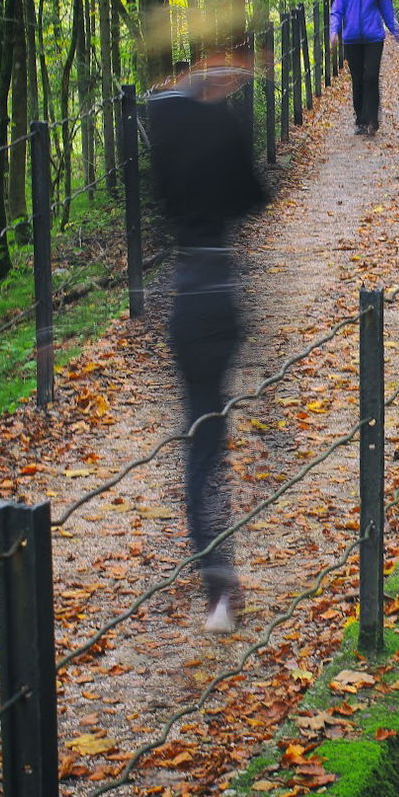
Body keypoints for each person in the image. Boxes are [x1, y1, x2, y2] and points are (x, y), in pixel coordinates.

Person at [146, 55, 269, 632]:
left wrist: (199, 88)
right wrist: (219, 101)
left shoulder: (164, 125)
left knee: (202, 442)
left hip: (191, 295)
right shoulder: (219, 126)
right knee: (208, 434)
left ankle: (218, 584)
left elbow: (165, 139)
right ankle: (221, 581)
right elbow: (251, 194)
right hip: (220, 293)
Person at [329, 0, 399, 137]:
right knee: (358, 79)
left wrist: (397, 34)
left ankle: (372, 118)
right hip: (352, 39)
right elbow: (336, 11)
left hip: (373, 38)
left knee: (371, 76)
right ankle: (361, 120)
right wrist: (333, 32)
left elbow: (387, 10)